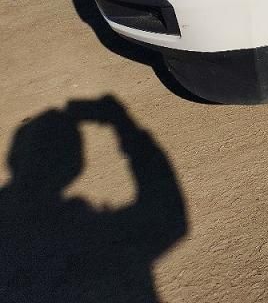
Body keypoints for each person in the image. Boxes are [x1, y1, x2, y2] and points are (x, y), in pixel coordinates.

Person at [0, 95, 187, 303]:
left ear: (14, 159)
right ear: (75, 166)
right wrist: (122, 123)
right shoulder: (88, 237)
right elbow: (169, 217)